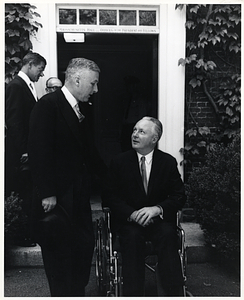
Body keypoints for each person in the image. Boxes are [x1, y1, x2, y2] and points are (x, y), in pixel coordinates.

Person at [28, 58, 107, 296]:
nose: (96, 89)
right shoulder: (48, 105)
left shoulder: (83, 109)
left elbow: (89, 152)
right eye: (93, 84)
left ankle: (76, 292)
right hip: (58, 198)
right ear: (76, 79)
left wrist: (113, 179)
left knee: (82, 248)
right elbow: (38, 150)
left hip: (79, 196)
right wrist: (47, 192)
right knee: (59, 255)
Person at [105, 116, 186, 296]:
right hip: (130, 223)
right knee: (132, 238)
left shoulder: (167, 162)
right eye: (134, 130)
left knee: (167, 235)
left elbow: (179, 195)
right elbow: (110, 196)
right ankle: (133, 295)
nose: (135, 135)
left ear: (154, 139)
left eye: (141, 131)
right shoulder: (119, 162)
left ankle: (173, 293)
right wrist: (132, 214)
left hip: (159, 222)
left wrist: (157, 209)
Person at [5, 52, 47, 247]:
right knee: (24, 194)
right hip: (21, 154)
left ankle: (31, 234)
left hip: (28, 151)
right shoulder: (16, 86)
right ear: (30, 65)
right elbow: (14, 121)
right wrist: (24, 150)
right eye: (40, 69)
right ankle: (24, 236)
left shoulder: (26, 86)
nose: (41, 74)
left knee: (30, 193)